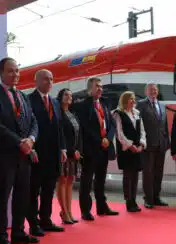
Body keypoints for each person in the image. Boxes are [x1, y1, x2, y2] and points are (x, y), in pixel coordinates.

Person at [0, 57, 39, 244]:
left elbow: (33, 121)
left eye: (17, 70)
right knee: (2, 197)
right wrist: (19, 143)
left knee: (22, 195)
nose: (15, 74)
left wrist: (31, 139)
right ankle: (0, 236)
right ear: (0, 73)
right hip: (4, 156)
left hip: (24, 156)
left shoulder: (24, 97)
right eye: (10, 71)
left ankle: (18, 232)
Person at [27, 69, 66, 236]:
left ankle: (46, 220)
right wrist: (31, 148)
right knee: (33, 190)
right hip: (37, 153)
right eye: (45, 79)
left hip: (53, 154)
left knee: (49, 190)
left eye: (51, 79)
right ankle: (33, 223)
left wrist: (63, 148)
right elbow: (27, 126)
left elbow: (60, 128)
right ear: (36, 81)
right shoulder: (28, 100)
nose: (49, 82)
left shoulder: (55, 102)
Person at [76, 77, 119, 220]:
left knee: (101, 180)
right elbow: (85, 128)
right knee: (86, 181)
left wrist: (108, 138)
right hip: (90, 149)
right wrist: (100, 140)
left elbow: (112, 124)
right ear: (90, 89)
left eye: (101, 86)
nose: (100, 88)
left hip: (104, 148)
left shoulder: (105, 103)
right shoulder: (83, 105)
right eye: (97, 86)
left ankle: (102, 207)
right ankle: (86, 211)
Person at [136, 83, 170, 208]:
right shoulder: (140, 105)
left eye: (155, 89)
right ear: (146, 92)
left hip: (161, 144)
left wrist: (167, 142)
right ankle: (148, 199)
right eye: (151, 90)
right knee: (148, 173)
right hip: (148, 144)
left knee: (158, 172)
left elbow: (164, 125)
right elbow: (138, 125)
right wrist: (140, 141)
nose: (153, 91)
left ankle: (156, 197)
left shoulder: (162, 105)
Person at [113, 91, 147, 212]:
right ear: (124, 100)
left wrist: (142, 143)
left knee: (135, 175)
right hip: (126, 149)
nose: (133, 101)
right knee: (128, 176)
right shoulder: (118, 113)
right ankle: (128, 201)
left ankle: (133, 199)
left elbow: (142, 130)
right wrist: (130, 145)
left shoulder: (137, 113)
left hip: (137, 149)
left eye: (134, 99)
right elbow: (119, 133)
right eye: (130, 99)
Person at [57, 88, 83, 223]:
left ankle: (69, 211)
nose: (69, 97)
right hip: (65, 153)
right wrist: (72, 151)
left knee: (70, 181)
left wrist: (79, 149)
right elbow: (62, 136)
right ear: (60, 96)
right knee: (62, 180)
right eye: (66, 95)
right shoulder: (58, 113)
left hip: (75, 153)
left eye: (71, 95)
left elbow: (79, 134)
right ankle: (64, 211)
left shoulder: (72, 113)